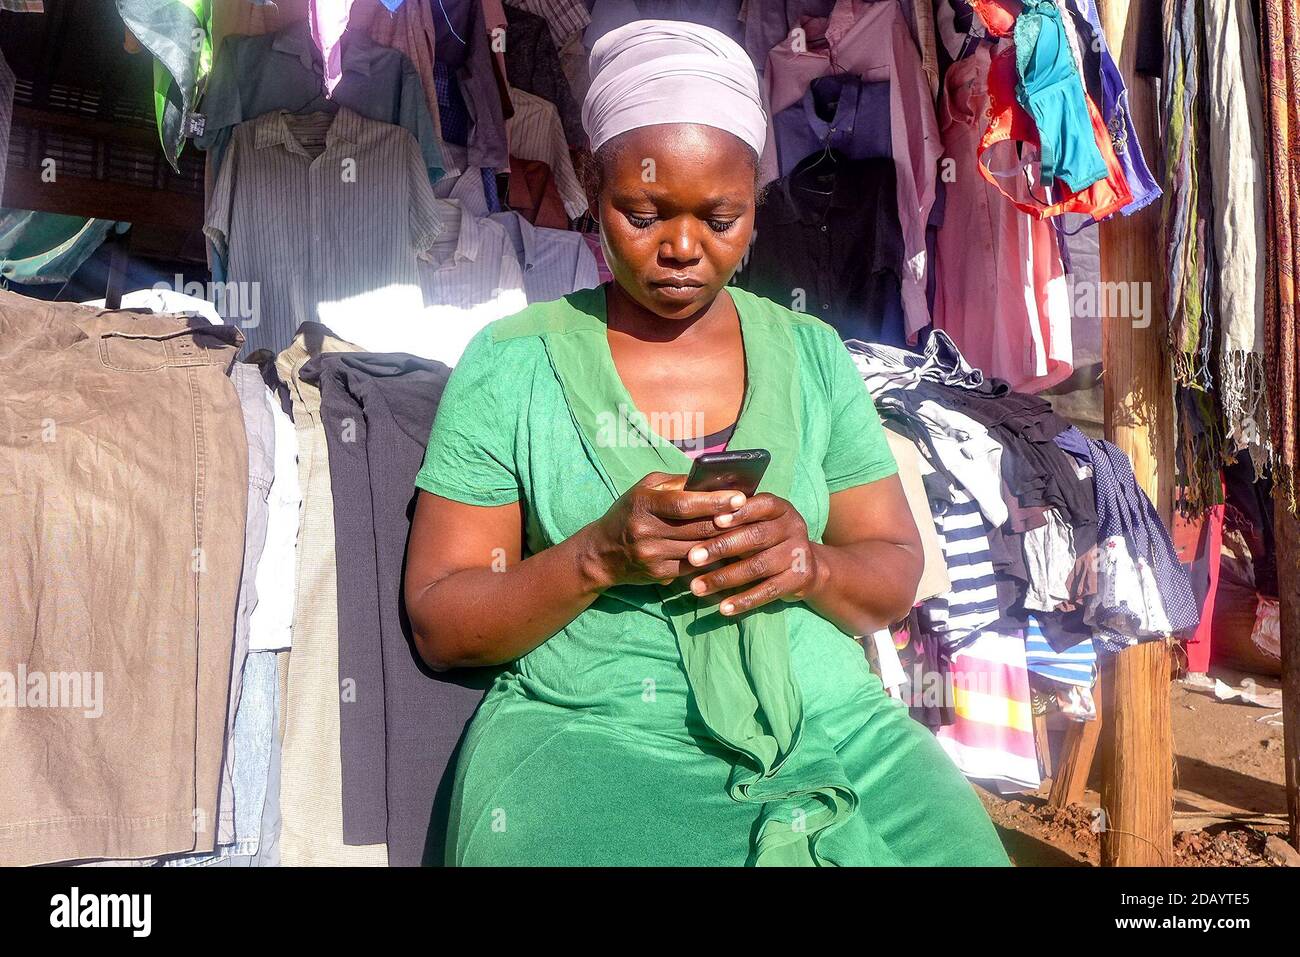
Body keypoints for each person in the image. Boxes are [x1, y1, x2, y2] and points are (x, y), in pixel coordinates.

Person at [403, 19, 1010, 866]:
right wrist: (594, 557)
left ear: (755, 207)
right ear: (590, 178)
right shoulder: (513, 363)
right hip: (599, 738)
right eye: (644, 212)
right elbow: (439, 618)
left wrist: (812, 565)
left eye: (719, 217)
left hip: (828, 725)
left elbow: (892, 574)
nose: (683, 248)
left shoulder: (810, 355)